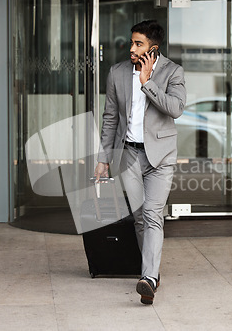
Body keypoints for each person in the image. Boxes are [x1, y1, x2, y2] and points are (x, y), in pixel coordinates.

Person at [94, 20, 186, 305]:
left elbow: (176, 108)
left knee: (153, 214)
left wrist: (148, 84)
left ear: (152, 48)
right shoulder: (117, 72)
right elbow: (110, 118)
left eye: (138, 44)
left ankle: (149, 278)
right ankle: (151, 271)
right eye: (131, 42)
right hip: (129, 155)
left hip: (160, 157)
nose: (131, 48)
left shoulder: (172, 72)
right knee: (139, 218)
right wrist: (103, 159)